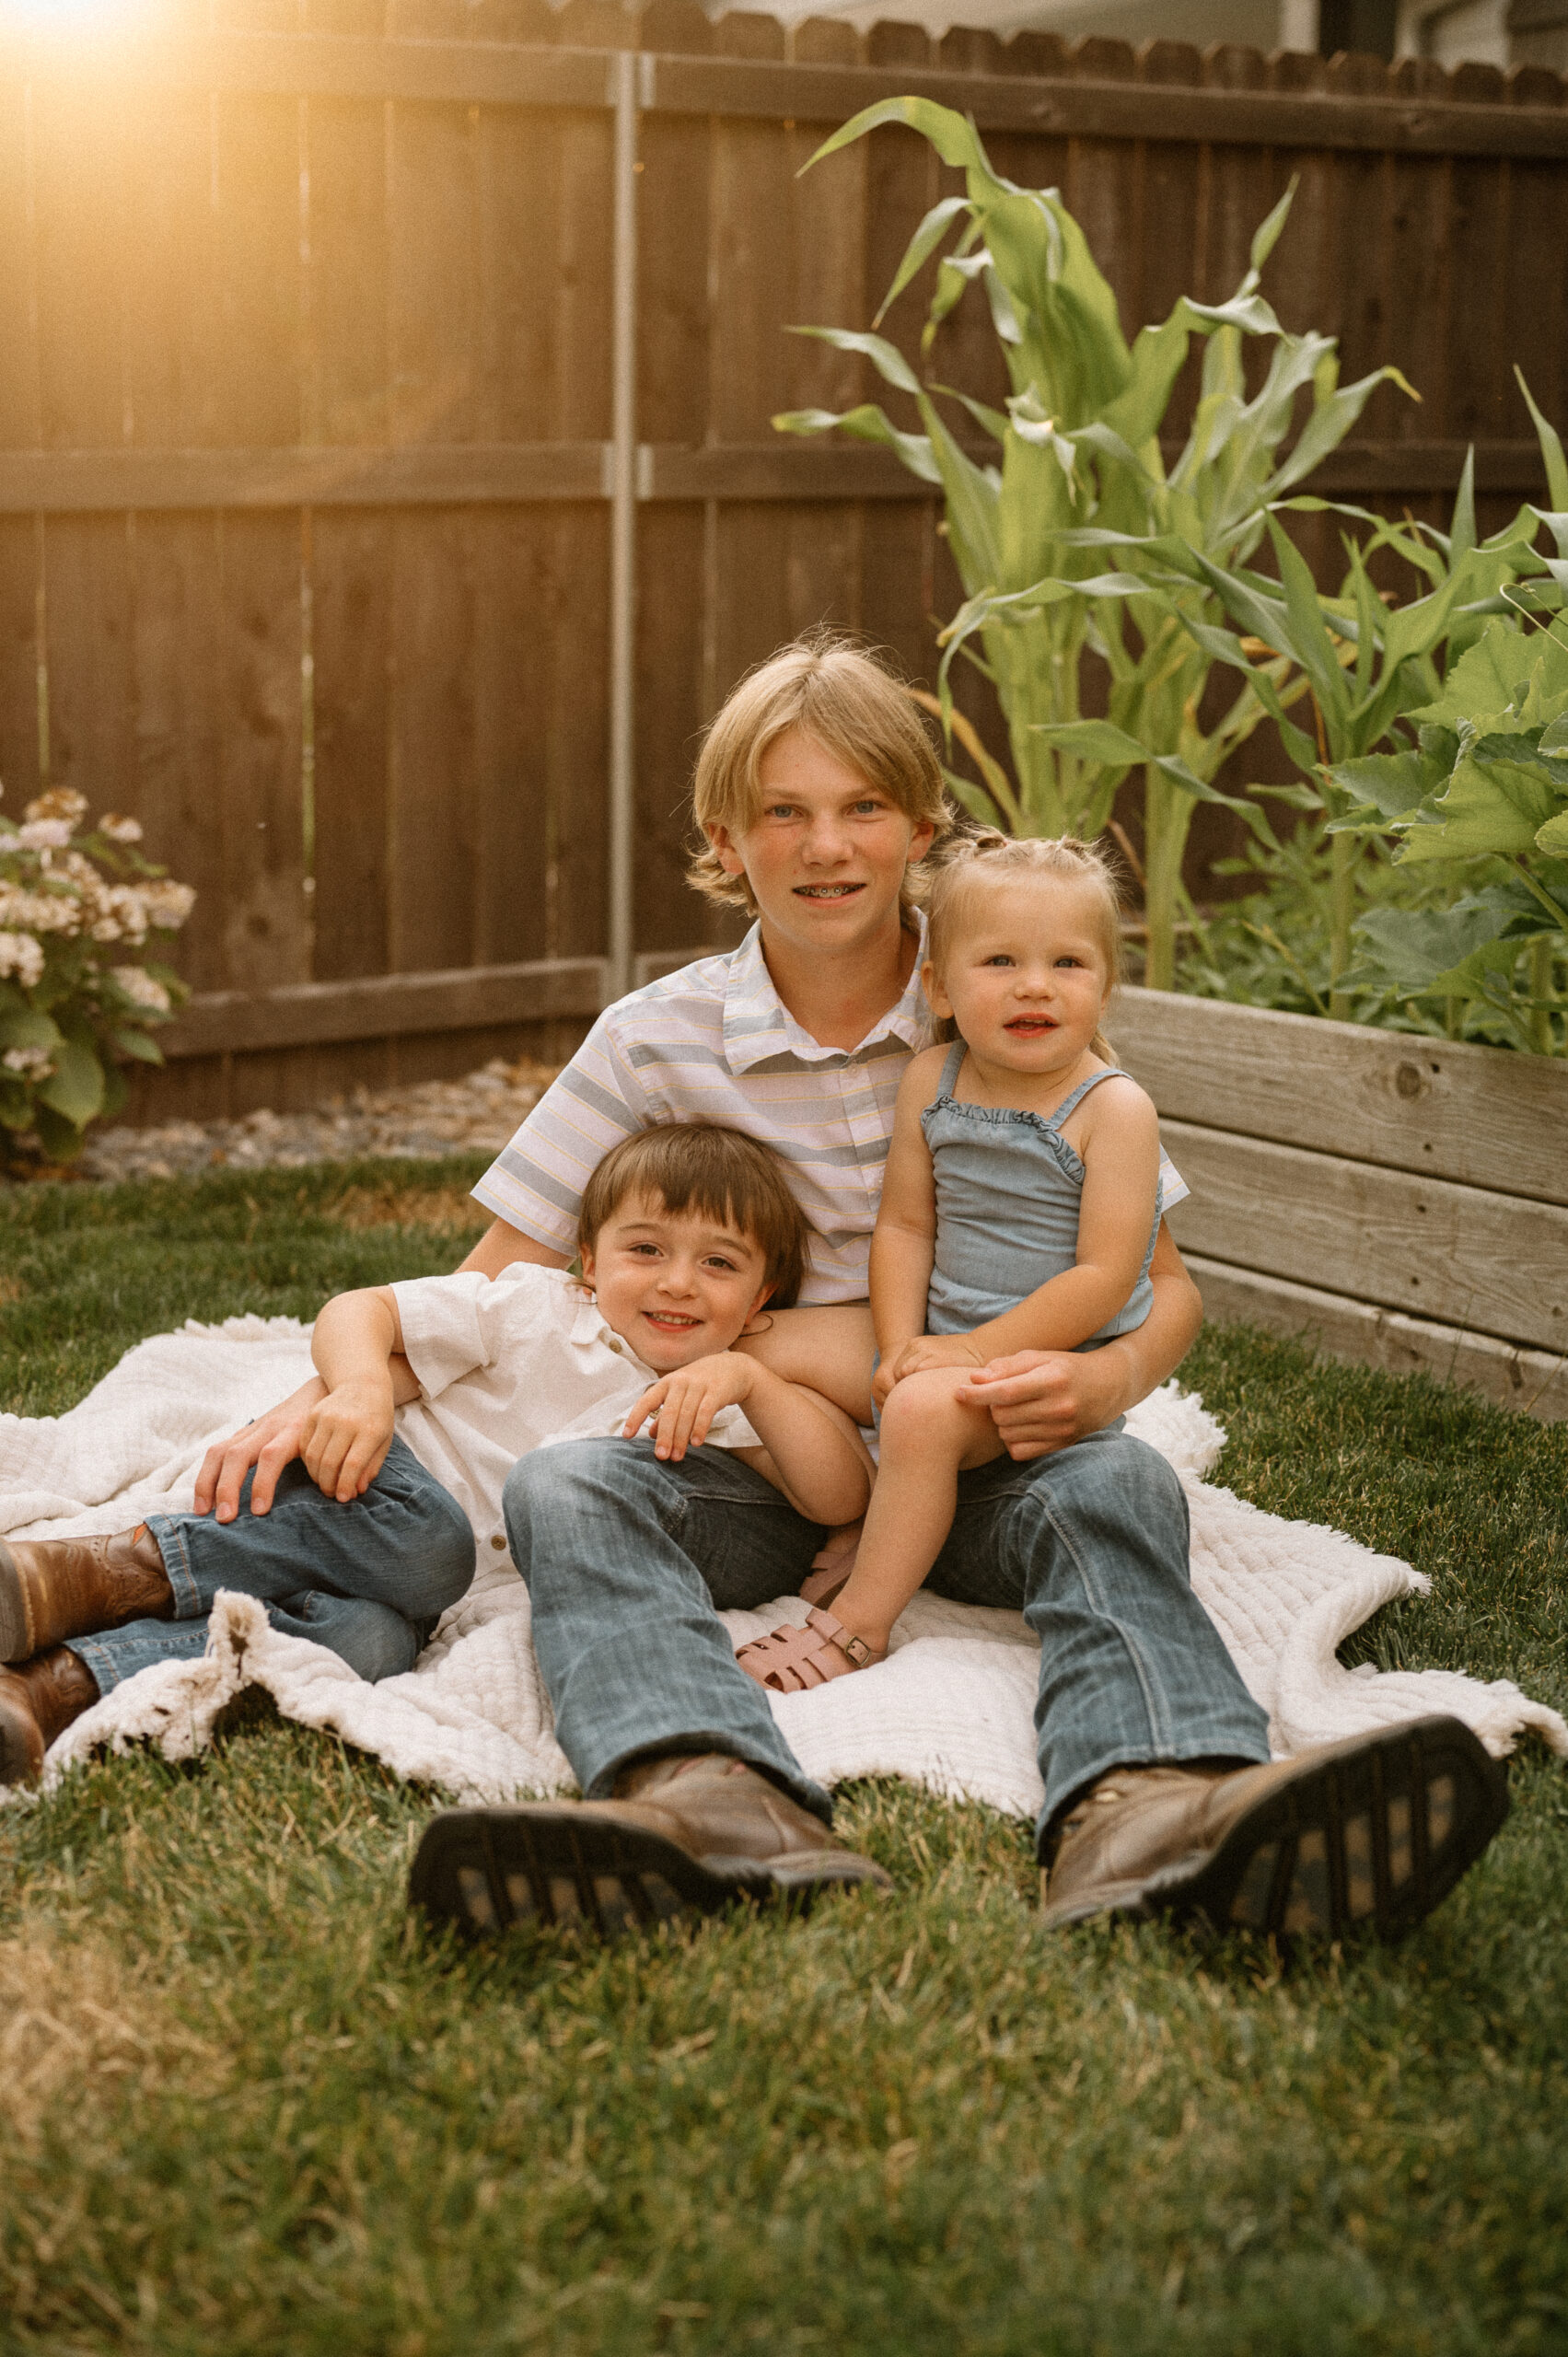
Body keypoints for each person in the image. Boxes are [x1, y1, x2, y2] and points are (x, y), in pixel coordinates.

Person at [188, 634, 1508, 1945]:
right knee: (564, 1484)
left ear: (918, 826)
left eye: (861, 808)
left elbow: (1157, 1284)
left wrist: (1103, 1381)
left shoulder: (1004, 981)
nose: (826, 848)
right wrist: (327, 1391)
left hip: (985, 1455)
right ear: (726, 838)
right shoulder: (652, 1040)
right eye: (784, 813)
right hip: (755, 1474)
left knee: (1119, 1482)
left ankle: (1156, 1802)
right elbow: (499, 1280)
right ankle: (700, 1793)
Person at [0, 1125, 874, 1861]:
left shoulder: (710, 1399)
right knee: (431, 1542)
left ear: (762, 1300)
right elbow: (359, 1309)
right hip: (368, 1494)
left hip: (429, 1598)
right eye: (645, 1250)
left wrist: (752, 1383)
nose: (677, 1281)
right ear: (587, 1262)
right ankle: (83, 1573)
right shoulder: (532, 1309)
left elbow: (837, 1494)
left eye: (717, 1264)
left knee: (365, 1643)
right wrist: (358, 1392)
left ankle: (51, 1689)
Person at [734, 830, 1167, 1691]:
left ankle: (858, 1622)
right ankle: (861, 1501)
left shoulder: (1112, 1109)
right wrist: (897, 1347)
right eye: (999, 960)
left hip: (1041, 1362)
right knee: (758, 1342)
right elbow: (903, 1229)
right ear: (938, 984)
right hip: (939, 1342)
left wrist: (966, 1356)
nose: (1034, 985)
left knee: (927, 1412)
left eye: (1069, 964)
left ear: (1106, 987)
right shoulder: (932, 1078)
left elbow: (1105, 1278)